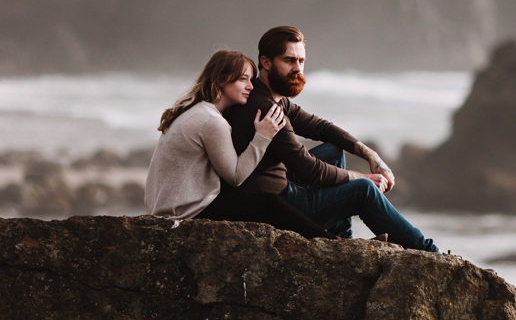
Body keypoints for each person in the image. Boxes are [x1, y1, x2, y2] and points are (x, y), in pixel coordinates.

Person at [225, 25, 439, 253]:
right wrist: (362, 177)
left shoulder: (267, 95)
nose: (297, 68)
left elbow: (320, 127)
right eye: (289, 61)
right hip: (275, 204)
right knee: (363, 191)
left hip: (277, 185)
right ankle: (428, 250)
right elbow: (310, 170)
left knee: (333, 151)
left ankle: (341, 238)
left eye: (301, 61)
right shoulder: (267, 110)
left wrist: (369, 154)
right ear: (266, 62)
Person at [145, 48, 334, 239]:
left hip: (168, 208)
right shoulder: (211, 121)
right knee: (268, 203)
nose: (250, 86)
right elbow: (235, 176)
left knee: (288, 180)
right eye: (243, 79)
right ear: (220, 79)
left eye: (251, 80)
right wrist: (263, 136)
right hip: (184, 213)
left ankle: (330, 237)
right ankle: (330, 241)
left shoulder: (196, 110)